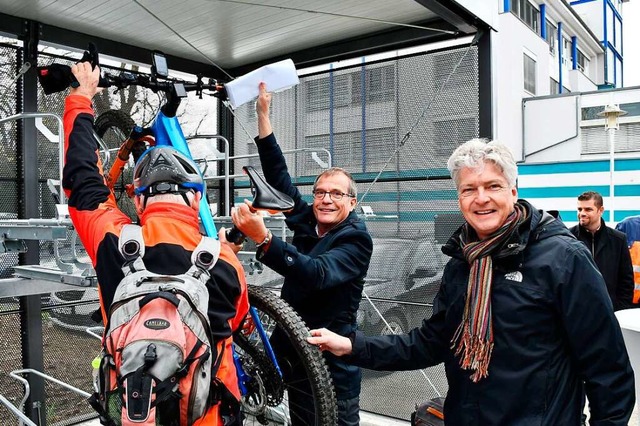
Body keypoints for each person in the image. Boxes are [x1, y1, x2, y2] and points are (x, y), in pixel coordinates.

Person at [308, 138, 635, 425]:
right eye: (469, 189)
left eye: (492, 186)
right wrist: (352, 345)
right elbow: (430, 343)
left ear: (513, 191)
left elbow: (608, 371)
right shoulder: (462, 262)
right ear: (459, 198)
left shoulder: (563, 258)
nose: (481, 198)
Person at [62, 62, 249, 425]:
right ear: (196, 201)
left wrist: (81, 98)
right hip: (206, 414)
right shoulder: (225, 260)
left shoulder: (111, 239)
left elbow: (81, 178)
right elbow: (237, 323)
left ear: (141, 200)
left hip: (135, 412)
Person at [230, 83, 373, 425]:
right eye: (320, 192)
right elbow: (280, 181)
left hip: (331, 363)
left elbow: (315, 273)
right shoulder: (310, 219)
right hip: (294, 353)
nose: (325, 199)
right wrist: (263, 116)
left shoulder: (355, 239)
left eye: (336, 194)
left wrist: (263, 239)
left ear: (352, 202)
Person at [569, 191, 634, 311]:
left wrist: (619, 310)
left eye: (588, 209)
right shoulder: (568, 238)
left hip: (610, 312)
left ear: (601, 210)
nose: (582, 213)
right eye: (579, 209)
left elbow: (626, 281)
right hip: (577, 314)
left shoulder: (618, 239)